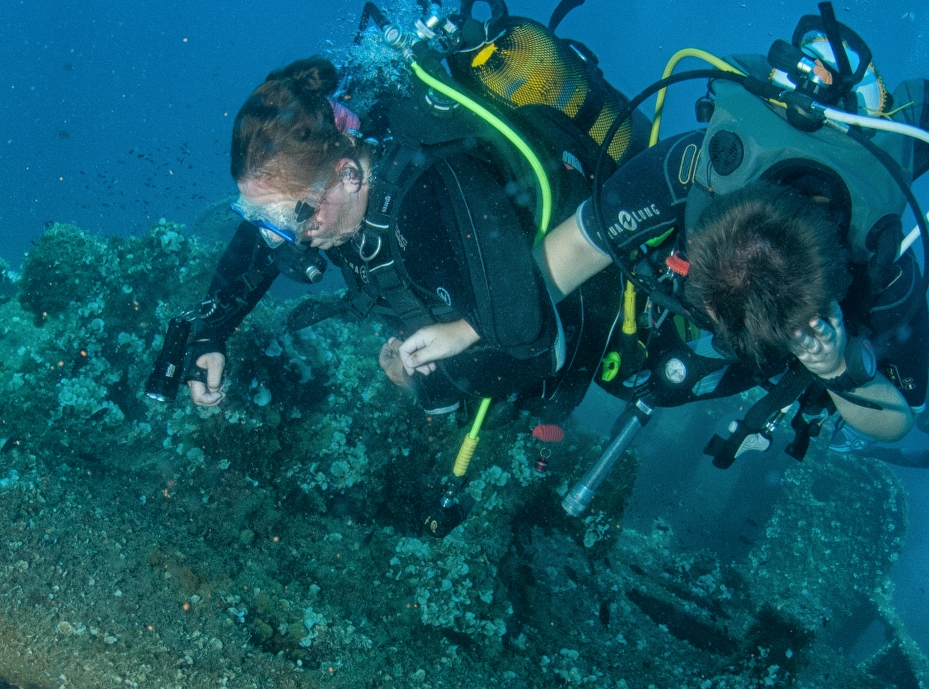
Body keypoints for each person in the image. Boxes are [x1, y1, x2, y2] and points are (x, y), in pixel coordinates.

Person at [533, 18, 929, 453]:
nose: (715, 311)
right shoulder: (701, 166)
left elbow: (898, 421)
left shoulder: (883, 266)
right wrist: (494, 329)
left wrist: (835, 367)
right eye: (712, 280)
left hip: (753, 360)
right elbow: (578, 243)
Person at [181, 56, 616, 418]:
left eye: (290, 218)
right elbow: (262, 235)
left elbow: (532, 343)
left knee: (553, 405)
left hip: (583, 292)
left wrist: (423, 378)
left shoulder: (425, 214)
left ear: (348, 176)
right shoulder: (323, 190)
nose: (287, 240)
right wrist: (209, 334)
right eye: (261, 216)